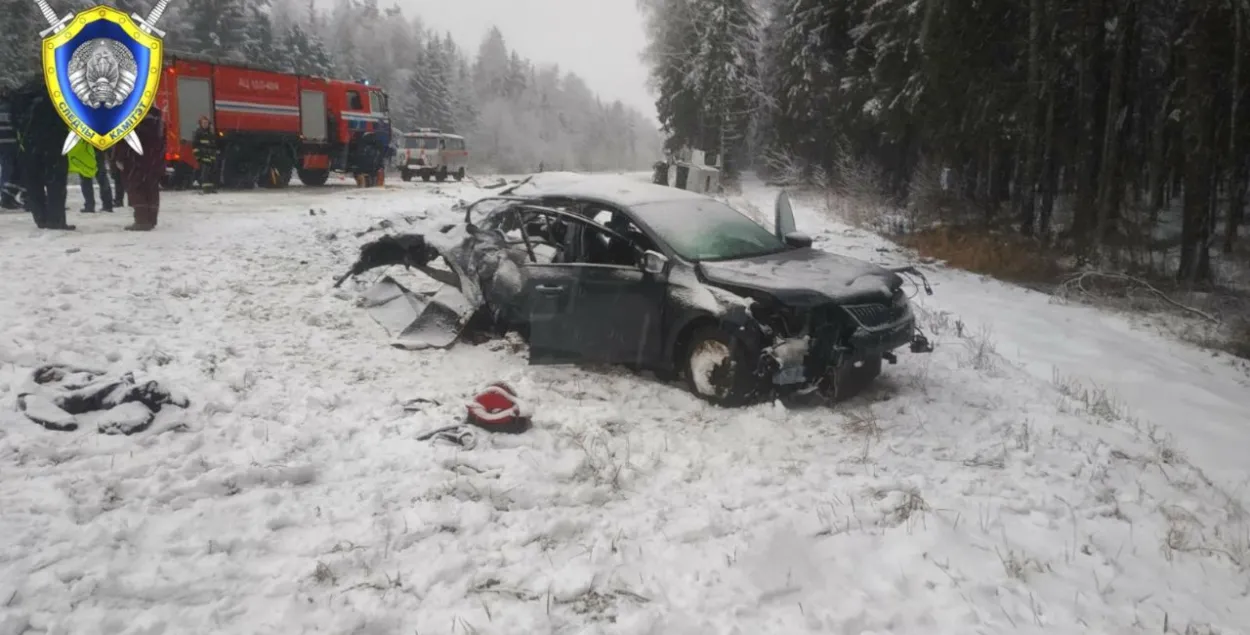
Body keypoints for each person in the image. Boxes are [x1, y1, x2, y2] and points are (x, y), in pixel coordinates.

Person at [11, 78, 72, 230]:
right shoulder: (57, 93)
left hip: (29, 143)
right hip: (54, 143)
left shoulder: (22, 93)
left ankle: (40, 218)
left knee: (33, 183)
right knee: (56, 183)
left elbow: (14, 120)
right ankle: (56, 220)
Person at [113, 106, 165, 231]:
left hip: (134, 160)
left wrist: (118, 156)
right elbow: (162, 139)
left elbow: (122, 137)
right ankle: (151, 219)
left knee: (136, 189)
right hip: (153, 159)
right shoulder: (157, 118)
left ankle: (141, 220)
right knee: (151, 189)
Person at [0, 86, 19, 209]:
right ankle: (6, 195)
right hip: (10, 143)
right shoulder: (11, 108)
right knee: (9, 171)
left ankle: (7, 195)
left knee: (6, 170)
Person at [78, 147, 114, 213]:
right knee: (102, 179)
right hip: (98, 150)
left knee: (86, 180)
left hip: (85, 152)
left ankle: (89, 206)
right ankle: (108, 205)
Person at [191, 115, 217, 193]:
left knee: (211, 172)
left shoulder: (210, 133)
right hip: (203, 155)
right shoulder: (198, 133)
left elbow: (213, 145)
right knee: (204, 172)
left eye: (206, 123)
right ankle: (205, 189)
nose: (205, 124)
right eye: (204, 123)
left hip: (210, 156)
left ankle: (211, 188)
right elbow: (195, 145)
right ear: (201, 124)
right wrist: (198, 156)